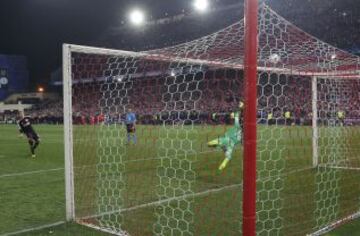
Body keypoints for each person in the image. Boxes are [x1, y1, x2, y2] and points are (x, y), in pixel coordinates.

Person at [207, 101, 244, 171]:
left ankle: (221, 146)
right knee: (228, 156)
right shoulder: (239, 128)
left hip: (227, 140)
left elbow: (236, 115)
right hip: (232, 142)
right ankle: (220, 167)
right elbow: (234, 116)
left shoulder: (237, 124)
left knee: (209, 144)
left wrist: (238, 109)